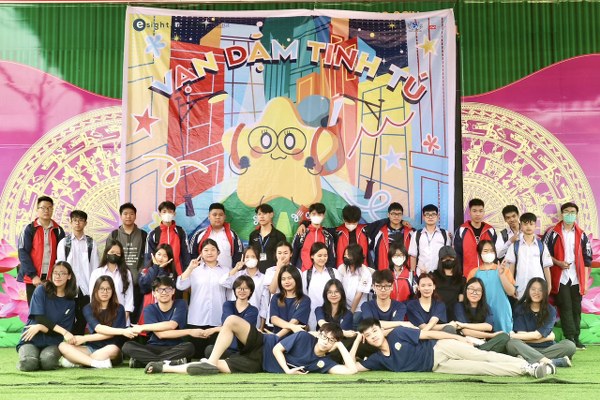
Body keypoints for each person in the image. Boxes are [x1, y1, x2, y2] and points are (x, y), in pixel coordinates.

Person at [145, 317, 358, 376]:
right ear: (319, 334)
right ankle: (210, 360)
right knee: (231, 320)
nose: (325, 341)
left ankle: (166, 367)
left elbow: (351, 371)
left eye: (330, 340)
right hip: (263, 343)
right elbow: (277, 350)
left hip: (258, 364)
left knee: (213, 368)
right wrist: (287, 370)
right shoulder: (303, 337)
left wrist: (341, 345)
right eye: (324, 336)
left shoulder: (325, 363)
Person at [354, 318, 552, 378]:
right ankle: (524, 370)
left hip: (440, 348)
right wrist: (355, 341)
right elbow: (351, 369)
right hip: (437, 367)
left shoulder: (398, 333)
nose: (374, 336)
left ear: (381, 329)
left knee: (483, 356)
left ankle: (529, 366)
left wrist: (458, 338)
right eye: (368, 335)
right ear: (366, 339)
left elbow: (430, 334)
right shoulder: (378, 359)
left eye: (375, 331)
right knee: (481, 369)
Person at [543, 202, 593, 350]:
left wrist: (584, 282)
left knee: (576, 308)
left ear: (576, 215)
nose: (569, 214)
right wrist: (558, 262)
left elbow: (587, 259)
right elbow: (544, 253)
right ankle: (570, 337)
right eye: (566, 211)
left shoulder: (582, 234)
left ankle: (576, 338)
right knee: (565, 306)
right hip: (560, 277)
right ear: (561, 214)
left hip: (577, 277)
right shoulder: (552, 233)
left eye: (572, 212)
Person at [57, 276, 135, 368]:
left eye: (108, 289)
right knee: (62, 346)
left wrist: (84, 338)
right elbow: (98, 328)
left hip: (110, 348)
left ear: (113, 291)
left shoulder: (119, 308)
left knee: (112, 349)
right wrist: (123, 331)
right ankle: (94, 363)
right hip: (91, 348)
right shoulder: (88, 308)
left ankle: (78, 360)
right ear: (96, 290)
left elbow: (111, 334)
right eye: (101, 289)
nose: (105, 292)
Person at [16, 261, 77, 371]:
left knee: (48, 363)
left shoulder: (70, 303)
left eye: (62, 273)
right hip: (31, 339)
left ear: (69, 276)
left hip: (52, 342)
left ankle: (42, 360)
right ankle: (31, 359)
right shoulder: (41, 290)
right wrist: (64, 332)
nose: (58, 276)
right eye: (55, 273)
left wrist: (41, 327)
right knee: (29, 363)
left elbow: (62, 330)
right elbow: (39, 318)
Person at [122, 277, 195, 367]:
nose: (164, 292)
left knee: (189, 347)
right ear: (154, 293)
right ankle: (171, 362)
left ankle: (144, 361)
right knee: (127, 346)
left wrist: (142, 327)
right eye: (159, 290)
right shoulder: (149, 309)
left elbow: (172, 325)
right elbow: (160, 335)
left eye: (168, 289)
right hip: (153, 348)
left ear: (173, 291)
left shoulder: (180, 304)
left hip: (175, 347)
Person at [506, 278, 576, 368]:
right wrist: (547, 337)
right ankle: (551, 361)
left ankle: (530, 359)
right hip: (525, 346)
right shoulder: (520, 309)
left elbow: (535, 335)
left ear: (545, 292)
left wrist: (513, 336)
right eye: (533, 289)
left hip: (547, 347)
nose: (536, 292)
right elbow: (522, 334)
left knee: (570, 345)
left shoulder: (550, 310)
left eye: (540, 290)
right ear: (528, 291)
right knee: (512, 344)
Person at [176, 238, 228, 358]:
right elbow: (180, 286)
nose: (209, 253)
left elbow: (230, 294)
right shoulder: (195, 270)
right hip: (197, 318)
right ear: (201, 253)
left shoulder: (226, 271)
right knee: (196, 355)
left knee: (213, 355)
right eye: (206, 250)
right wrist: (190, 268)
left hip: (218, 319)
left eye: (213, 250)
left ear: (218, 252)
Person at [56, 209, 99, 335]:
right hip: (69, 286)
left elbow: (95, 267)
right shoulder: (64, 243)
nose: (77, 223)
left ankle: (78, 341)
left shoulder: (91, 243)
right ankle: (69, 341)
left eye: (81, 220)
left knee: (83, 317)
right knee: (68, 316)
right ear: (70, 222)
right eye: (75, 220)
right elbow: (60, 267)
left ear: (85, 223)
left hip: (86, 287)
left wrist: (94, 289)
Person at [17, 195, 66, 304]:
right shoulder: (29, 229)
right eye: (43, 208)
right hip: (33, 278)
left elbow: (62, 256)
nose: (46, 210)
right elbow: (23, 252)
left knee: (50, 310)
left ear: (52, 210)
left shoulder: (58, 230)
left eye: (49, 208)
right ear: (37, 210)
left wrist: (56, 276)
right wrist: (33, 276)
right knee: (34, 310)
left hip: (52, 279)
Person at [107, 202, 148, 323]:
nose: (128, 216)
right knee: (116, 310)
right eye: (125, 214)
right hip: (118, 279)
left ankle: (132, 333)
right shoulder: (114, 235)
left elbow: (147, 258)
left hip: (137, 282)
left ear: (135, 216)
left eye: (131, 214)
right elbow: (108, 257)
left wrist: (140, 275)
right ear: (121, 216)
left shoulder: (143, 235)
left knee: (135, 311)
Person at [203, 275, 259, 359]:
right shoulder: (228, 305)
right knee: (209, 350)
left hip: (242, 350)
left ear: (251, 291)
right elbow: (228, 323)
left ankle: (229, 361)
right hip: (225, 348)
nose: (242, 291)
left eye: (246, 288)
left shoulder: (253, 310)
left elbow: (240, 328)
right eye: (239, 288)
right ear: (235, 290)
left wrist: (214, 329)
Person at [466, 240, 514, 333]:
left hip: (501, 311)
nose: (489, 253)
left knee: (503, 337)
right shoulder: (474, 272)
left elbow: (511, 292)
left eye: (492, 251)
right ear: (479, 254)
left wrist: (502, 274)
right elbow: (468, 295)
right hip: (481, 312)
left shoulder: (504, 270)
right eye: (485, 251)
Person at [453, 277, 510, 353]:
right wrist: (491, 335)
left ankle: (481, 352)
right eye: (471, 289)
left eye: (478, 290)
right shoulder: (459, 306)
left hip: (484, 342)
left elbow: (488, 326)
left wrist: (465, 325)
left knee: (504, 337)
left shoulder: (486, 307)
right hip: (466, 343)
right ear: (466, 290)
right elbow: (465, 331)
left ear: (482, 293)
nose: (474, 293)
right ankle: (482, 352)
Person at [504, 212, 553, 300]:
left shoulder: (542, 245)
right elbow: (511, 268)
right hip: (520, 288)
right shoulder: (515, 246)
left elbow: (546, 267)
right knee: (520, 308)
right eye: (525, 224)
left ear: (535, 226)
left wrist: (549, 286)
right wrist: (511, 286)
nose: (528, 227)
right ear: (521, 226)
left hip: (539, 289)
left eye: (531, 224)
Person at [189, 202, 243, 271]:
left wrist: (234, 272)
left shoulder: (232, 234)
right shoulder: (199, 234)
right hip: (204, 274)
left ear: (224, 217)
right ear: (209, 217)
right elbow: (192, 254)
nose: (218, 217)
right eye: (214, 215)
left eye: (221, 215)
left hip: (227, 274)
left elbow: (239, 255)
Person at [90, 239, 134, 321]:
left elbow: (129, 297)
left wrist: (124, 319)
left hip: (122, 317)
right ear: (106, 253)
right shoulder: (96, 273)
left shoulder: (126, 273)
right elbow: (93, 297)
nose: (114, 255)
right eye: (112, 252)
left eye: (118, 253)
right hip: (101, 317)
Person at [145, 200, 191, 279]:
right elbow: (149, 256)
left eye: (170, 212)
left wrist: (186, 273)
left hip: (178, 274)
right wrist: (151, 274)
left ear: (174, 214)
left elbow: (186, 254)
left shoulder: (181, 232)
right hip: (158, 275)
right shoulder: (153, 233)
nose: (167, 214)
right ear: (159, 214)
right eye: (164, 212)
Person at [454, 198, 497, 277]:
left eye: (480, 211)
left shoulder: (490, 230)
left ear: (484, 212)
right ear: (469, 212)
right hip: (467, 275)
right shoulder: (461, 230)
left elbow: (495, 253)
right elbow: (457, 254)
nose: (478, 214)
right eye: (474, 211)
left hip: (488, 274)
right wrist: (460, 273)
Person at [302, 242, 340, 330]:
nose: (323, 258)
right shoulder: (306, 275)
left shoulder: (334, 273)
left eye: (325, 255)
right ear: (312, 256)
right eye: (319, 255)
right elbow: (304, 298)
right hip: (312, 317)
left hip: (333, 315)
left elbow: (340, 294)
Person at [291, 202, 336, 271]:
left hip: (321, 274)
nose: (316, 216)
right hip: (302, 273)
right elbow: (293, 254)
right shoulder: (301, 233)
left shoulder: (328, 236)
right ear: (309, 215)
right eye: (314, 214)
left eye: (319, 214)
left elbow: (331, 258)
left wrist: (328, 273)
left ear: (324, 216)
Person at [408, 204, 452, 274]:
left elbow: (448, 256)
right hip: (421, 274)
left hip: (440, 274)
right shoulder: (416, 234)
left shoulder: (445, 234)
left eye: (433, 214)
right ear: (423, 217)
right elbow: (413, 256)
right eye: (427, 214)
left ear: (438, 216)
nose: (430, 217)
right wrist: (413, 275)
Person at [370, 202, 414, 271]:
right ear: (388, 215)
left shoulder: (410, 232)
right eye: (393, 214)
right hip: (384, 272)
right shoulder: (378, 232)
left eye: (399, 214)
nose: (396, 216)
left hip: (404, 272)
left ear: (402, 215)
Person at [269, 265, 311, 337]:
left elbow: (294, 322)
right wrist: (292, 327)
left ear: (296, 279)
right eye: (283, 279)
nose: (286, 282)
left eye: (290, 278)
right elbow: (274, 319)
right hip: (277, 338)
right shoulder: (276, 297)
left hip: (295, 338)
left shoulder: (305, 300)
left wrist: (276, 337)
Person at [220, 245, 264, 312]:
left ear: (258, 258)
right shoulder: (237, 275)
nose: (250, 259)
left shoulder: (263, 278)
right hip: (235, 313)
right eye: (247, 257)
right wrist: (236, 269)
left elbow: (264, 302)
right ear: (243, 259)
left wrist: (262, 318)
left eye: (253, 256)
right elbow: (223, 282)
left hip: (254, 314)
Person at [261, 241, 293, 330]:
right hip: (275, 312)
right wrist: (278, 268)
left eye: (285, 253)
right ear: (275, 254)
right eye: (279, 253)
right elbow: (272, 290)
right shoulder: (270, 271)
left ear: (291, 254)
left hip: (291, 312)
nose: (282, 256)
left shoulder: (297, 271)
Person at [338, 244, 371, 327]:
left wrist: (350, 314)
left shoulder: (365, 272)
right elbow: (338, 288)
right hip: (344, 306)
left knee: (354, 320)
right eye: (345, 255)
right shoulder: (342, 268)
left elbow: (358, 295)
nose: (346, 257)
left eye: (348, 255)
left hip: (358, 308)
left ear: (356, 256)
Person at [248, 203, 287, 273]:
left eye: (264, 213)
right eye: (259, 214)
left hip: (273, 272)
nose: (261, 216)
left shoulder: (279, 236)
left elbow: (283, 256)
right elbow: (250, 254)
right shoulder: (253, 235)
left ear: (271, 215)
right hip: (255, 272)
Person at [432, 246, 465, 322]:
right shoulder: (433, 276)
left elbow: (461, 301)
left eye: (451, 258)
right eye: (445, 258)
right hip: (436, 315)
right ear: (440, 260)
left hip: (454, 317)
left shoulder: (461, 279)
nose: (448, 260)